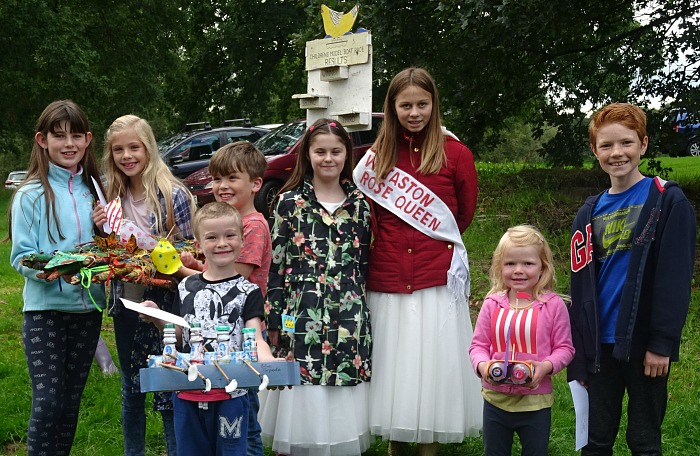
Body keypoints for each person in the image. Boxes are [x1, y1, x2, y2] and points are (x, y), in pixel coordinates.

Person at [352, 66, 482, 455]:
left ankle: (428, 445)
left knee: (431, 366)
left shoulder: (456, 152)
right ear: (391, 107)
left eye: (422, 104)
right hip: (388, 274)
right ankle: (395, 443)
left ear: (434, 104)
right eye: (405, 104)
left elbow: (463, 215)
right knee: (394, 365)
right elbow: (371, 215)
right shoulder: (375, 157)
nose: (414, 112)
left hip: (435, 276)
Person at [568, 102, 696, 455]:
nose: (617, 153)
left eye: (626, 143)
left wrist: (661, 343)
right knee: (595, 441)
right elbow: (579, 288)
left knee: (643, 440)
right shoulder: (588, 213)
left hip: (644, 346)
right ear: (595, 151)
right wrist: (579, 352)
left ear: (643, 144)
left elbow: (675, 279)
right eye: (606, 145)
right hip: (599, 348)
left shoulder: (667, 202)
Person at [259, 118, 373, 455]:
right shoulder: (288, 203)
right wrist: (274, 318)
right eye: (320, 151)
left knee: (340, 391)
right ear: (307, 155)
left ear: (346, 155)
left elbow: (364, 265)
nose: (328, 158)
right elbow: (275, 266)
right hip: (300, 315)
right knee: (302, 386)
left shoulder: (361, 207)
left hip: (349, 318)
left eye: (335, 151)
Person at [93, 114, 196, 456]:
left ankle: (174, 449)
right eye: (118, 149)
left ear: (149, 148)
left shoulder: (172, 194)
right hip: (128, 301)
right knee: (130, 386)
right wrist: (102, 229)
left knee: (170, 381)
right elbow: (108, 252)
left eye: (134, 147)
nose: (127, 155)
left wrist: (157, 249)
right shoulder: (111, 197)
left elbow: (191, 250)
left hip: (168, 301)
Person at [8, 100, 107, 455]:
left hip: (87, 312)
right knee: (48, 401)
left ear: (88, 139)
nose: (69, 144)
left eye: (76, 135)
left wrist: (105, 229)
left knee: (69, 404)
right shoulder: (30, 195)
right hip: (44, 311)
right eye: (59, 136)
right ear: (42, 140)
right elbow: (20, 257)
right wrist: (45, 269)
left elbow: (110, 249)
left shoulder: (95, 191)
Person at [142, 201, 276, 456]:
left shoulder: (249, 292)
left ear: (241, 241)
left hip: (232, 393)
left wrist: (270, 364)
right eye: (212, 237)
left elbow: (255, 336)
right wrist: (156, 316)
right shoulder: (185, 287)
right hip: (188, 389)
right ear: (199, 245)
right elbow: (180, 334)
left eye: (229, 235)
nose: (221, 243)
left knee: (233, 450)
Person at [177, 141, 271, 456]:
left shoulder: (253, 225)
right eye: (217, 179)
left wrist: (181, 272)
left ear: (256, 183)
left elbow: (234, 278)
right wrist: (195, 268)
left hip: (242, 327)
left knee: (245, 424)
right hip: (217, 341)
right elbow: (213, 274)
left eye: (232, 178)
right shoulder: (228, 222)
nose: (222, 186)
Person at [469, 225, 574, 455]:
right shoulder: (492, 303)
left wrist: (546, 366)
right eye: (510, 264)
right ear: (499, 266)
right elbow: (478, 345)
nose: (518, 270)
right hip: (495, 400)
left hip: (535, 404)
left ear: (542, 266)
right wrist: (483, 365)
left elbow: (565, 348)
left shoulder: (553, 305)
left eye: (528, 263)